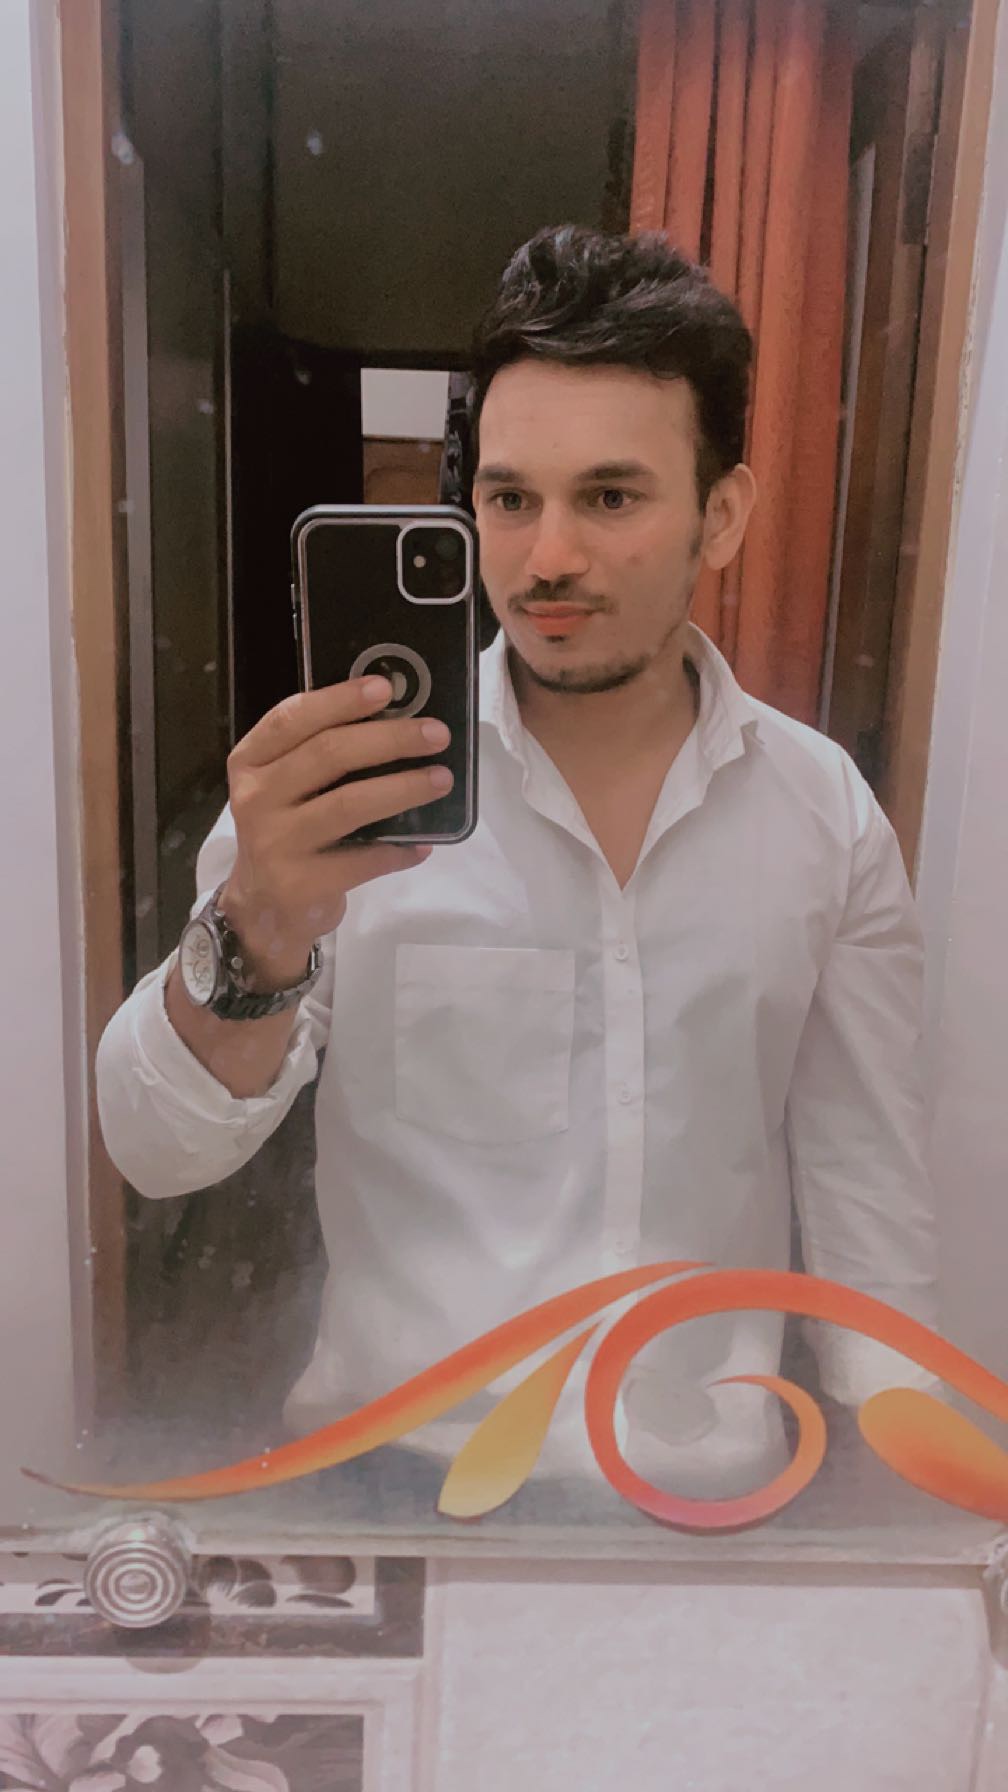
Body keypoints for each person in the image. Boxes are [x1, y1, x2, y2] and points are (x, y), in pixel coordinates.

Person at [97, 225, 941, 1497]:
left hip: (707, 1494)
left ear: (721, 515)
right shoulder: (340, 794)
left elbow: (869, 1201)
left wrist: (912, 1510)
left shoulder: (822, 815)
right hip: (399, 1477)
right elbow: (156, 1149)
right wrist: (255, 927)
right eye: (509, 498)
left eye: (610, 497)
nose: (547, 558)